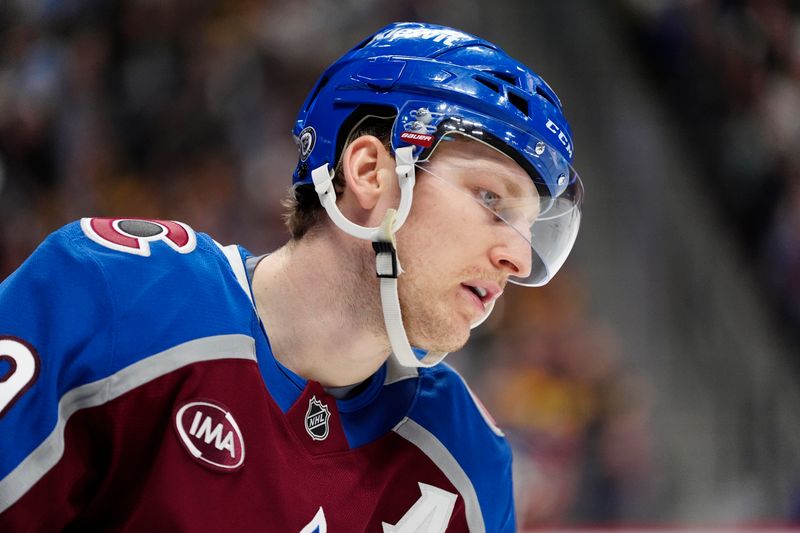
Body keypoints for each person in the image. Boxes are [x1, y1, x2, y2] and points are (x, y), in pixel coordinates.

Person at [0, 21, 582, 532]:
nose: (519, 258)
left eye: (530, 228)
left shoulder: (468, 465)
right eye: (491, 198)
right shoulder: (113, 295)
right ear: (371, 172)